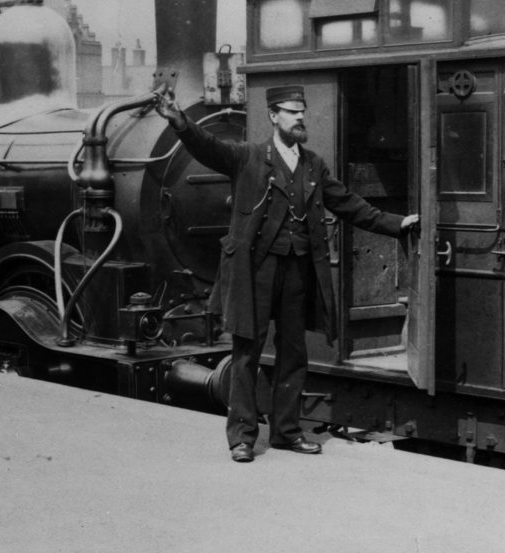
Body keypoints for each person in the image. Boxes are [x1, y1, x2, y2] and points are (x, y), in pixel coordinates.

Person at [155, 85, 419, 463]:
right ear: (273, 116)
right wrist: (180, 121)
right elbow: (207, 146)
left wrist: (397, 223)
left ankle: (286, 433)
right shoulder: (246, 157)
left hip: (298, 269)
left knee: (294, 353)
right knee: (246, 352)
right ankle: (243, 438)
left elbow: (349, 204)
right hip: (256, 269)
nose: (300, 118)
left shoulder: (313, 164)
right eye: (292, 112)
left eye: (302, 112)